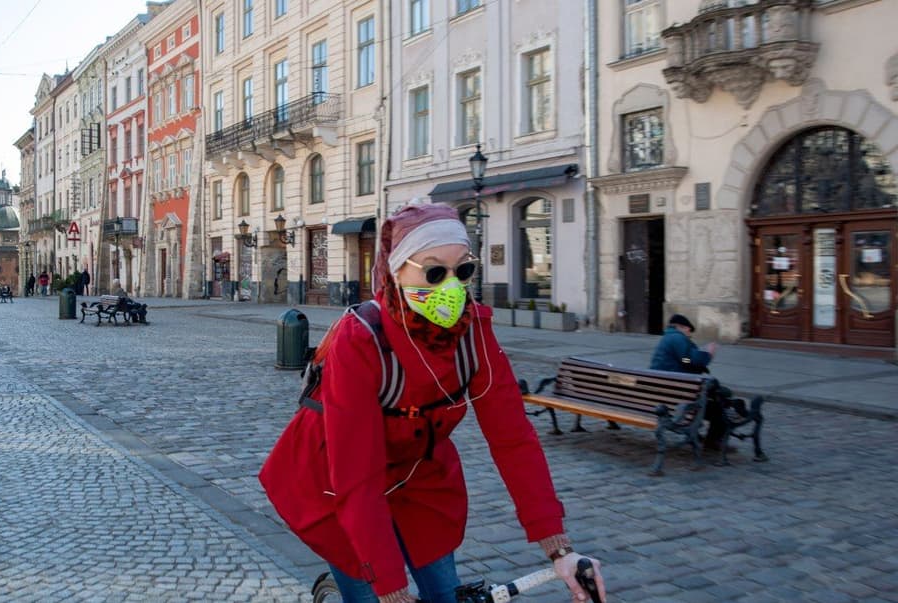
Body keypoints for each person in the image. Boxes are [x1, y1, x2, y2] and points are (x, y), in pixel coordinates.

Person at [260, 204, 606, 603]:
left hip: (418, 478)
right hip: (336, 481)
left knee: (444, 592)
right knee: (371, 588)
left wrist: (559, 548)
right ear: (396, 270)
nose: (452, 286)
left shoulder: (473, 330)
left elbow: (514, 440)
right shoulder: (361, 339)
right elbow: (356, 476)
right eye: (434, 271)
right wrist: (390, 588)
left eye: (463, 270)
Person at [649, 314, 729, 450]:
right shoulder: (678, 338)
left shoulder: (667, 338)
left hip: (664, 394)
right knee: (718, 405)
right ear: (682, 327)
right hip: (678, 397)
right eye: (689, 331)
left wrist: (689, 357)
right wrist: (707, 354)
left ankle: (698, 436)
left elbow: (682, 359)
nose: (689, 334)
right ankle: (713, 441)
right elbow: (687, 359)